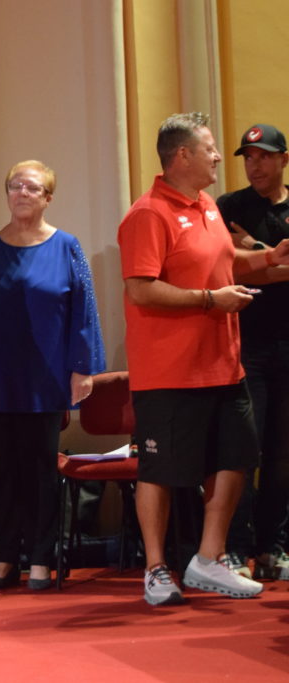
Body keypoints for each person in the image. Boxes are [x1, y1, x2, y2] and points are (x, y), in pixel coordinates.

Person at [117, 112, 289, 606]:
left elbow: (226, 263)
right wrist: (211, 301)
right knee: (159, 472)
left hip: (224, 365)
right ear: (182, 155)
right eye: (210, 148)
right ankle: (155, 568)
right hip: (169, 372)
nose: (218, 156)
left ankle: (209, 559)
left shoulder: (208, 205)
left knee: (237, 459)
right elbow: (141, 289)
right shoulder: (148, 214)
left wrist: (269, 258)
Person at [0, 160, 105, 591]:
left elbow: (84, 309)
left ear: (48, 198)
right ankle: (5, 557)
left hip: (45, 376)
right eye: (15, 185)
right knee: (2, 468)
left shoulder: (67, 246)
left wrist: (83, 367)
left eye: (32, 187)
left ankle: (40, 558)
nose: (21, 192)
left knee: (40, 468)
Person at [217, 123, 289, 581]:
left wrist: (255, 250)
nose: (254, 165)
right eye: (248, 157)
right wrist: (270, 258)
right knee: (247, 450)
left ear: (284, 159)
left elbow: (251, 264)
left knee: (283, 455)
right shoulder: (229, 207)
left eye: (263, 156)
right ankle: (236, 549)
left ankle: (271, 547)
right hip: (247, 346)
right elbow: (230, 272)